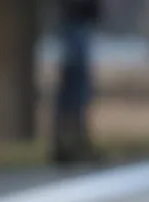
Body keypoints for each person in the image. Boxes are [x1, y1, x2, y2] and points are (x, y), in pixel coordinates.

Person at [53, 0, 103, 164]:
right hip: (77, 16)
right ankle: (70, 142)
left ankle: (70, 142)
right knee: (75, 84)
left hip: (79, 16)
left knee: (76, 84)